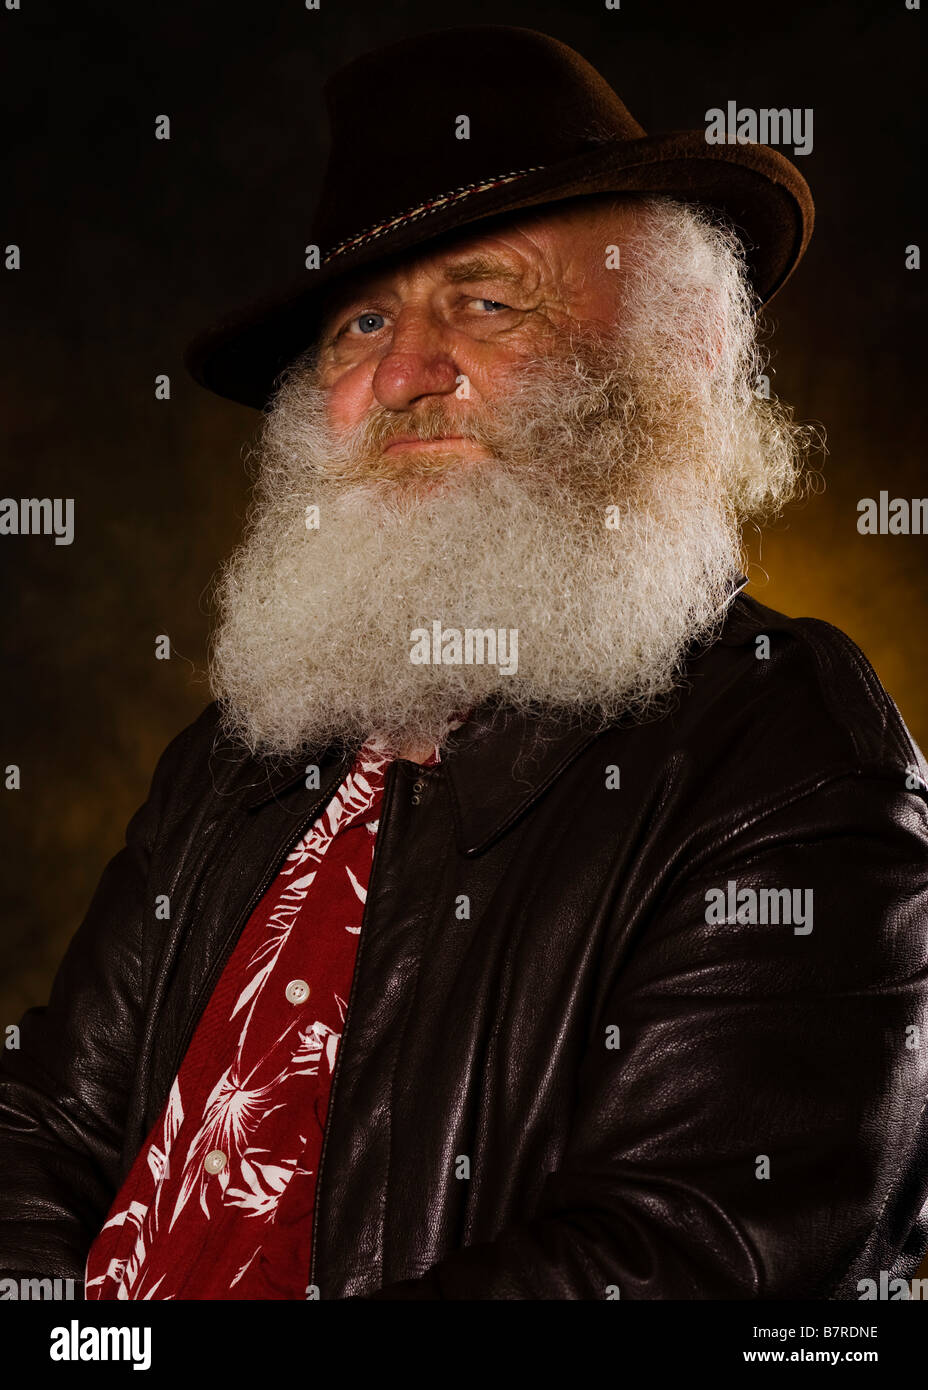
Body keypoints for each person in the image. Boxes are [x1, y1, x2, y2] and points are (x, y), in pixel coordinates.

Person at [2, 25, 927, 1301]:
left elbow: (677, 1259)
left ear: (678, 347)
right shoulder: (237, 760)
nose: (400, 372)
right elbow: (41, 1131)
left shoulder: (788, 752)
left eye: (486, 301)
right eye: (362, 319)